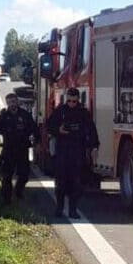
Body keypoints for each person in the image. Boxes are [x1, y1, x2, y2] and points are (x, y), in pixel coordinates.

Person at [46, 87, 99, 219]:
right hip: (62, 150)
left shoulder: (83, 113)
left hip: (77, 151)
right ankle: (59, 208)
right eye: (69, 101)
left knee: (76, 183)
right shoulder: (60, 111)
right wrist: (58, 130)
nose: (71, 104)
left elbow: (92, 130)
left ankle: (73, 210)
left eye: (74, 101)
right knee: (61, 182)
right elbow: (49, 125)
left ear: (78, 100)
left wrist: (94, 147)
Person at [0, 93, 39, 204]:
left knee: (24, 175)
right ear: (7, 103)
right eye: (10, 102)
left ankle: (18, 192)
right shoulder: (3, 117)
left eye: (14, 101)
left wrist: (37, 144)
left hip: (22, 150)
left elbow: (35, 129)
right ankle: (7, 201)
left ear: (17, 102)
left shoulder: (25, 115)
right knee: (6, 177)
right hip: (8, 150)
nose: (12, 104)